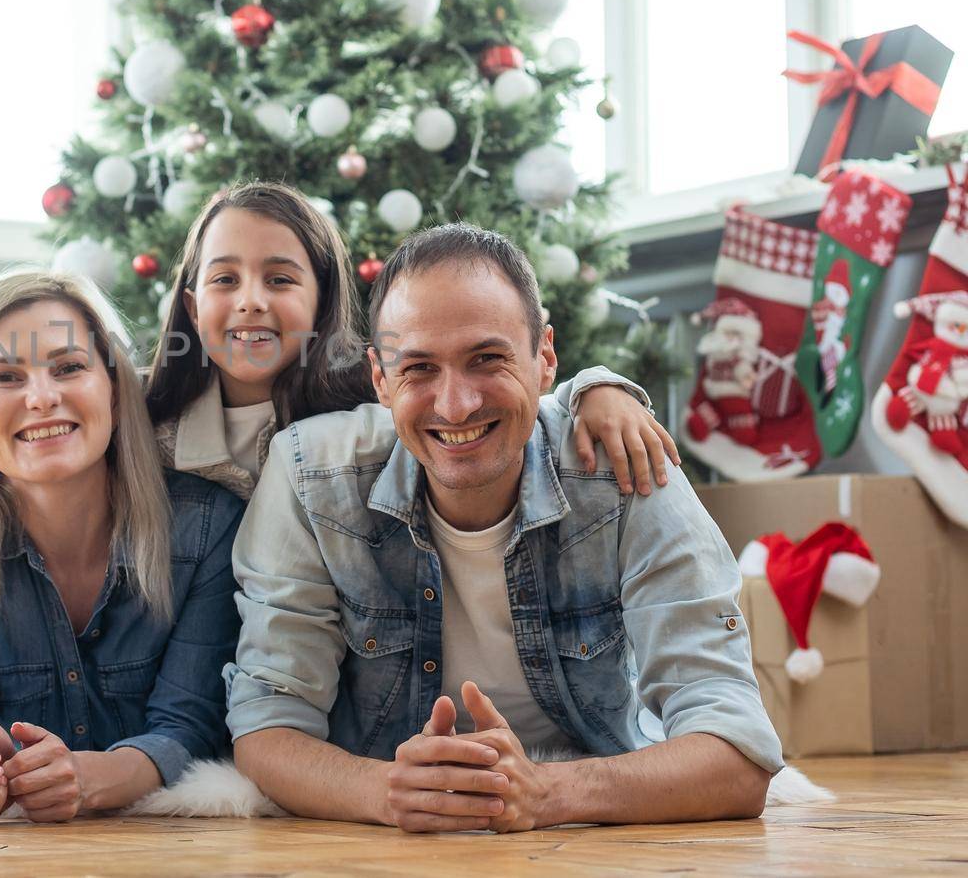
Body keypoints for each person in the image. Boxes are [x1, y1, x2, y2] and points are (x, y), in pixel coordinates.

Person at [227, 224, 782, 833]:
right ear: (381, 380)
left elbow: (737, 753)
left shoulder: (625, 462)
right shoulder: (311, 475)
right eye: (418, 369)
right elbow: (268, 728)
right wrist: (384, 791)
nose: (456, 404)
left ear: (544, 357)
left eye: (486, 359)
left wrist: (547, 793)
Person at [0, 183, 678, 573]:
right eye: (224, 279)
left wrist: (600, 386)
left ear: (325, 298)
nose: (250, 302)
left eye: (281, 279)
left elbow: (485, 395)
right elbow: (25, 448)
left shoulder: (372, 409)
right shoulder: (141, 417)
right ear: (191, 300)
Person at [0, 269, 244, 822]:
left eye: (69, 367)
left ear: (112, 386)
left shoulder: (207, 527)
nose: (42, 398)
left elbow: (188, 725)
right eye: (6, 377)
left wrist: (88, 778)